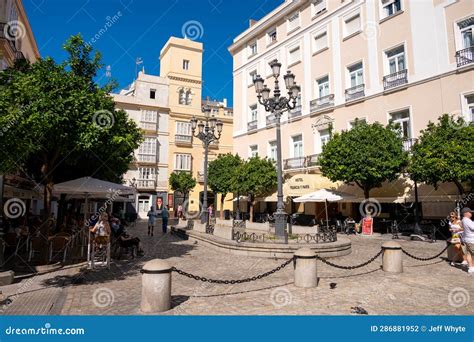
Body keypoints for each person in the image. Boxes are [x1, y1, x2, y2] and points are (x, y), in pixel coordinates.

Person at [460, 207, 474, 274]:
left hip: (467, 239)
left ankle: (471, 268)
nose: (471, 213)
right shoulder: (468, 220)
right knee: (472, 254)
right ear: (466, 213)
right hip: (471, 240)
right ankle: (472, 267)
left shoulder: (463, 220)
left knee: (469, 254)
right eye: (470, 212)